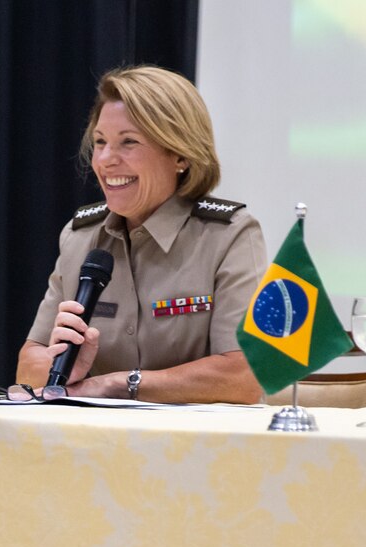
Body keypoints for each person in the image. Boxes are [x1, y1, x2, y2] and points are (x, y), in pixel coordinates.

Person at [15, 65, 267, 404]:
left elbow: (244, 376)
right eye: (100, 142)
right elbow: (28, 366)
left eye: (128, 142)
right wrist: (61, 369)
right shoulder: (79, 238)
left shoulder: (229, 235)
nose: (105, 160)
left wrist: (117, 383)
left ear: (180, 154)